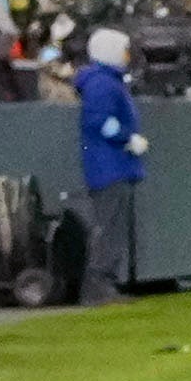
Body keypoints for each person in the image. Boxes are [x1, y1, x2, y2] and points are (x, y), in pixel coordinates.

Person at [74, 25, 151, 298]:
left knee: (113, 227)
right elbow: (98, 121)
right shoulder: (102, 83)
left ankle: (104, 283)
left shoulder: (107, 80)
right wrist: (127, 138)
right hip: (108, 165)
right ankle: (97, 285)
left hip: (114, 164)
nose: (128, 55)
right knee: (108, 227)